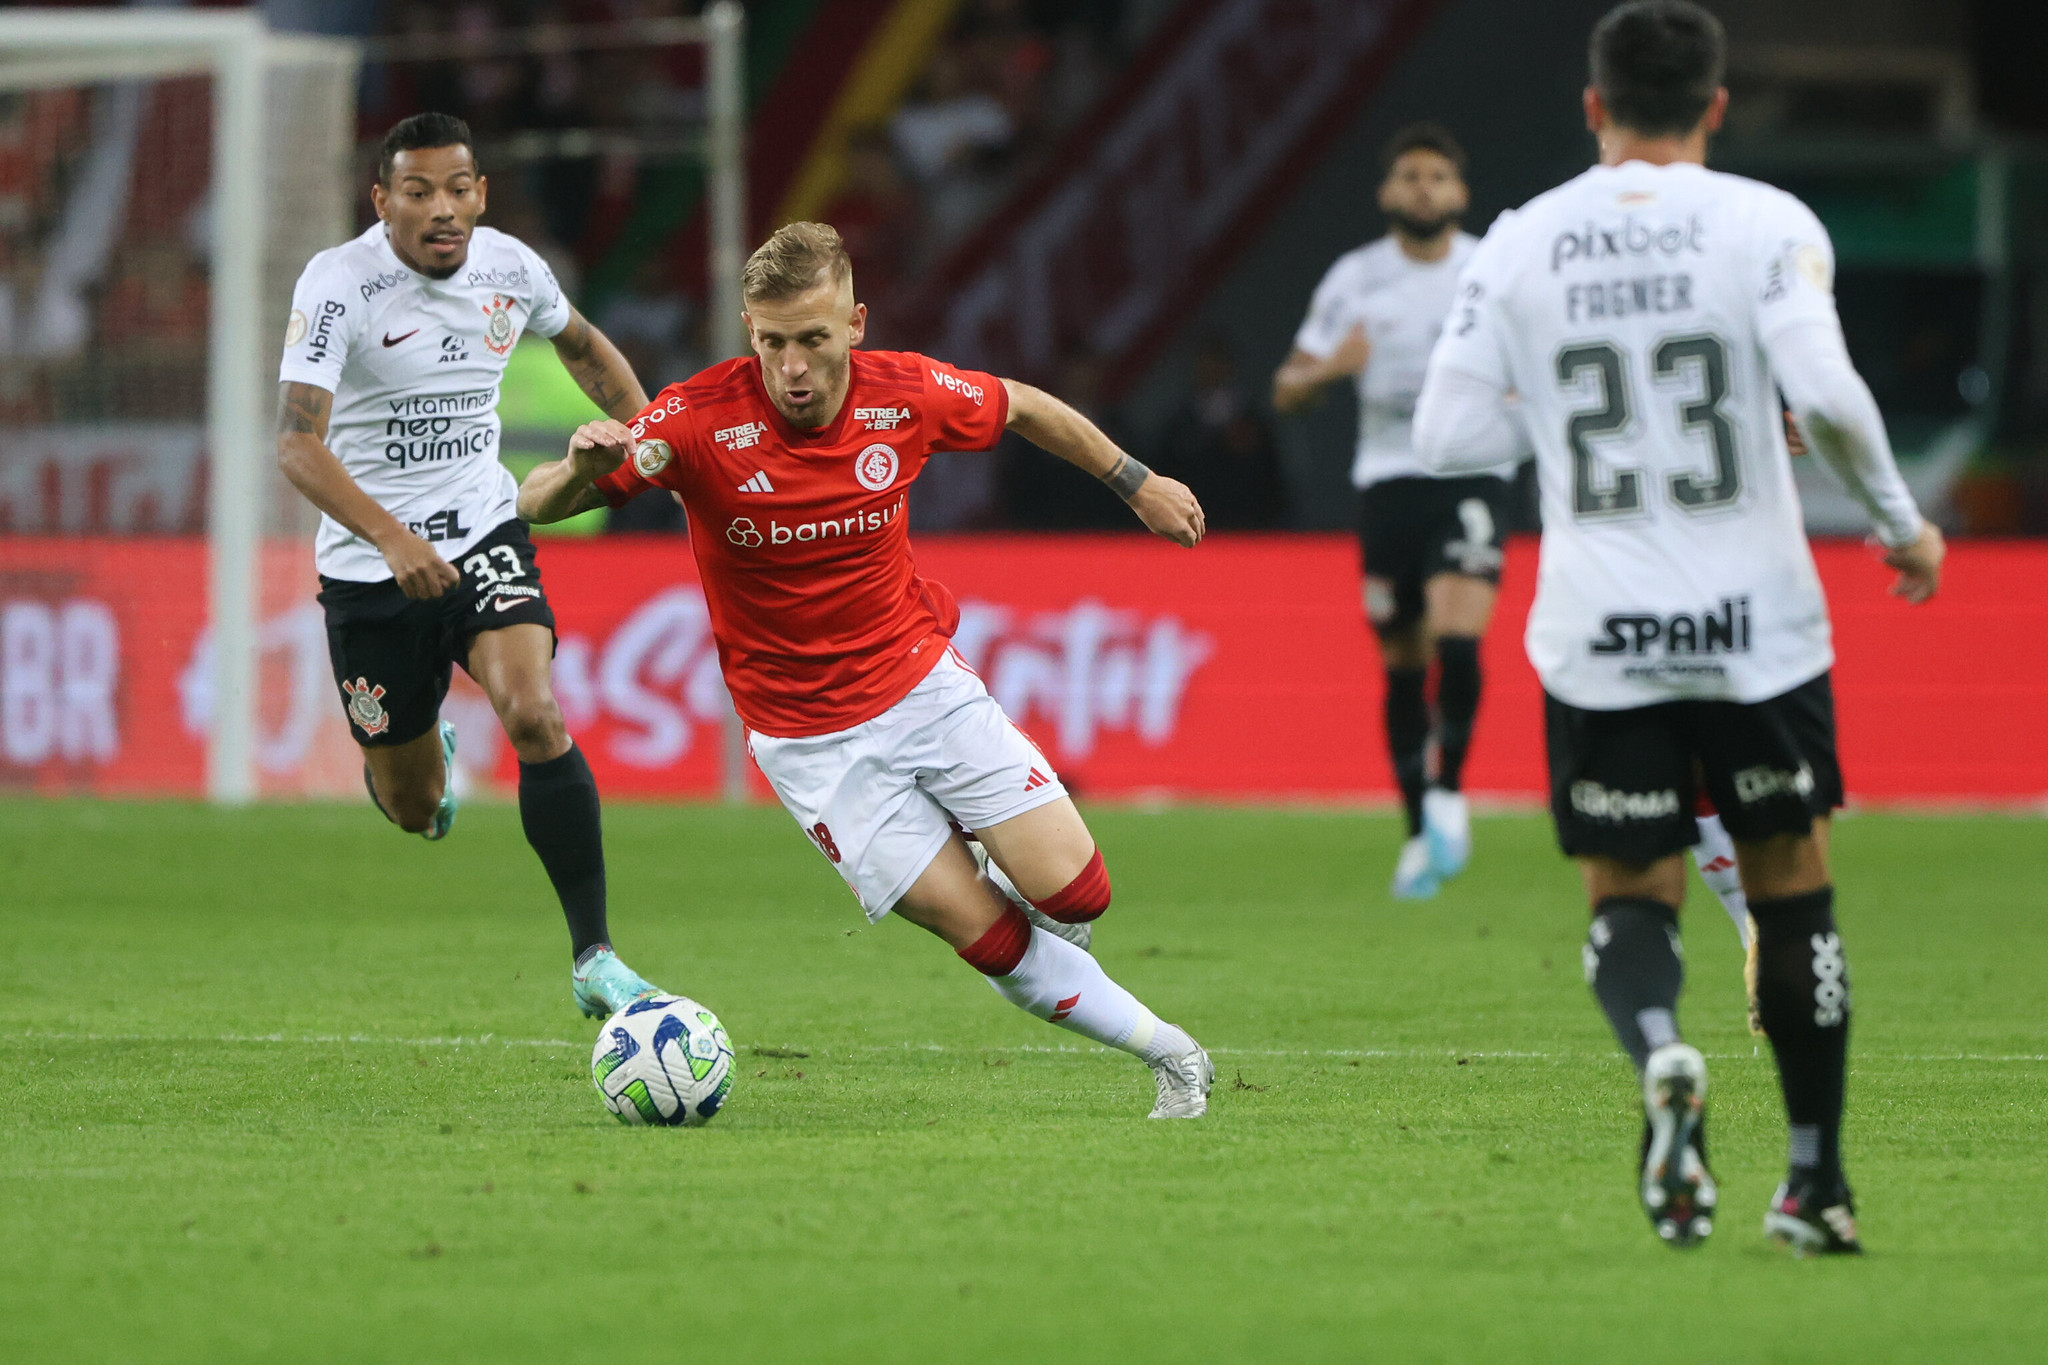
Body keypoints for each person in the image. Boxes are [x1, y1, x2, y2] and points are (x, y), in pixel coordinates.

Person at [1413, 0, 1944, 1254]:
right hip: (1756, 625)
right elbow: (1824, 391)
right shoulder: (1765, 224)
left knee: (1631, 894)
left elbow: (1446, 439)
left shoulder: (1520, 242)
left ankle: (1660, 1052)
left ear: (1592, 107)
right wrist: (1900, 525)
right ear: (1714, 106)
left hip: (1598, 635)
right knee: (1791, 887)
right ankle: (1812, 1183)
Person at [517, 222, 1217, 1118]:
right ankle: (1172, 1055)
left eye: (813, 339)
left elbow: (1027, 407)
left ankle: (996, 865)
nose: (794, 367)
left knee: (1079, 893)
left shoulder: (907, 394)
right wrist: (581, 471)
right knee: (986, 936)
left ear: (854, 322)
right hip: (810, 746)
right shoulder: (693, 421)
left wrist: (1136, 481)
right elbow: (538, 500)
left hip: (923, 685)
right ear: (748, 331)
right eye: (772, 343)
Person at [276, 113, 667, 1019]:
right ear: (383, 202)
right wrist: (391, 538)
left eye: (459, 189)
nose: (442, 209)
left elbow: (582, 344)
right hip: (373, 572)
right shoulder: (340, 286)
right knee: (412, 807)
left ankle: (596, 956)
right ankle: (427, 765)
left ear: (481, 194)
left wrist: (653, 442)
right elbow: (297, 446)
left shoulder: (512, 267)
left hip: (482, 533)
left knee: (534, 713)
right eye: (418, 192)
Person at [1273, 122, 1517, 900]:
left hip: (1473, 470)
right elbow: (1286, 388)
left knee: (1460, 635)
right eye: (1409, 176)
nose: (1423, 189)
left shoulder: (1491, 269)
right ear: (1387, 193)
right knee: (1404, 664)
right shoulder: (1355, 278)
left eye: (1437, 177)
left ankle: (1450, 790)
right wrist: (1329, 370)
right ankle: (1418, 829)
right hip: (1387, 483)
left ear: (1461, 193)